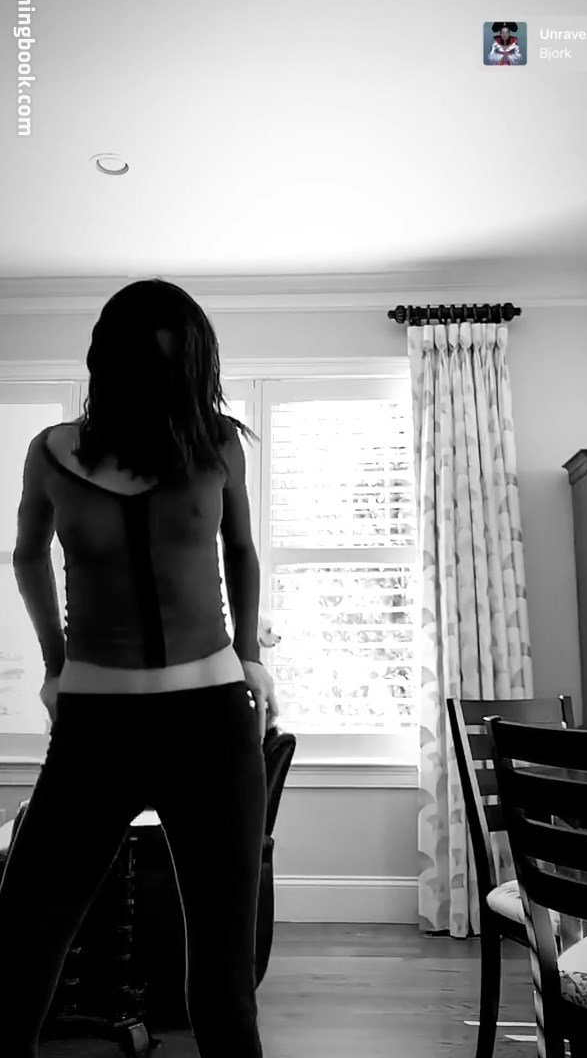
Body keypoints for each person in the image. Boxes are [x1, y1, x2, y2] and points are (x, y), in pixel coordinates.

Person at [1, 278, 279, 1058]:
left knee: (222, 983)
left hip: (212, 724)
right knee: (18, 949)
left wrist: (252, 656)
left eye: (178, 367)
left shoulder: (217, 444)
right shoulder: (51, 452)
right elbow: (27, 555)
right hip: (94, 728)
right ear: (112, 366)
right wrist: (53, 665)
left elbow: (241, 550)